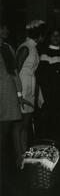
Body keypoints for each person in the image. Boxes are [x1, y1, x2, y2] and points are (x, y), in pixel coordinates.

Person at [0, 23, 29, 169]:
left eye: (5, 27)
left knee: (5, 127)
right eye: (2, 28)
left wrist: (19, 94)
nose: (6, 30)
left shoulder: (7, 48)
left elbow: (15, 73)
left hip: (8, 92)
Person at [16, 20, 46, 153]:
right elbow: (15, 71)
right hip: (22, 86)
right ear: (40, 35)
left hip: (30, 86)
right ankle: (20, 153)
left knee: (26, 123)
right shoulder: (25, 47)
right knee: (20, 124)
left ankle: (23, 151)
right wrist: (18, 93)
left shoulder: (33, 47)